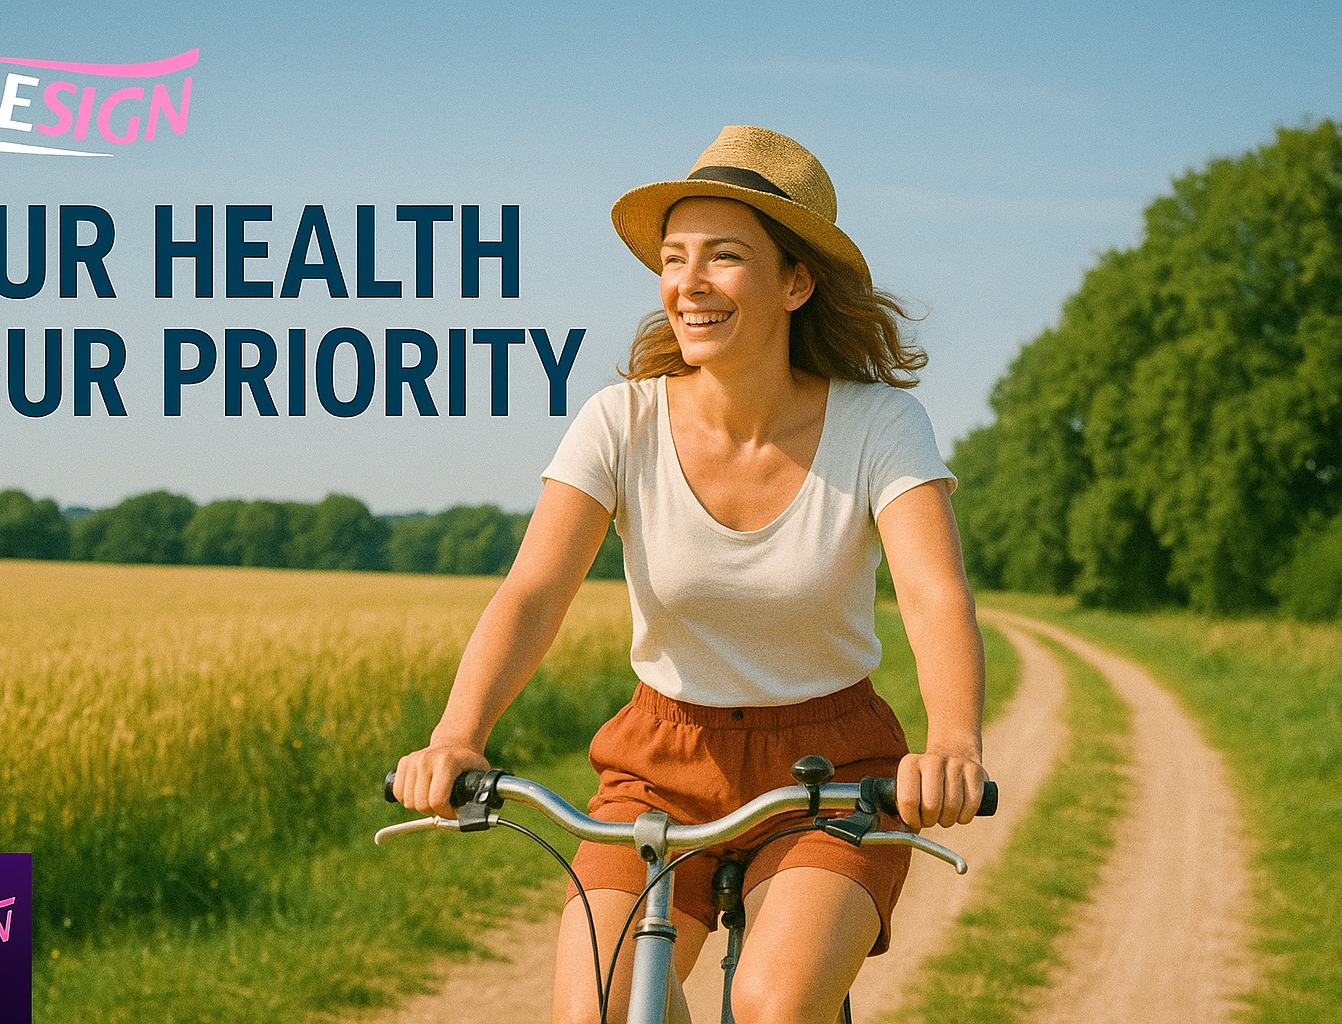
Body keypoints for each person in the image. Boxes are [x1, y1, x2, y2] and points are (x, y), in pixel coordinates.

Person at [392, 125, 988, 1024]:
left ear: (796, 282)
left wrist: (954, 744)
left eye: (725, 256)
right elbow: (534, 591)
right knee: (599, 1010)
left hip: (832, 763)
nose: (688, 282)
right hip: (658, 762)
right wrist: (457, 734)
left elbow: (934, 593)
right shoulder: (619, 421)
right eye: (674, 258)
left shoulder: (880, 425)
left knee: (775, 1005)